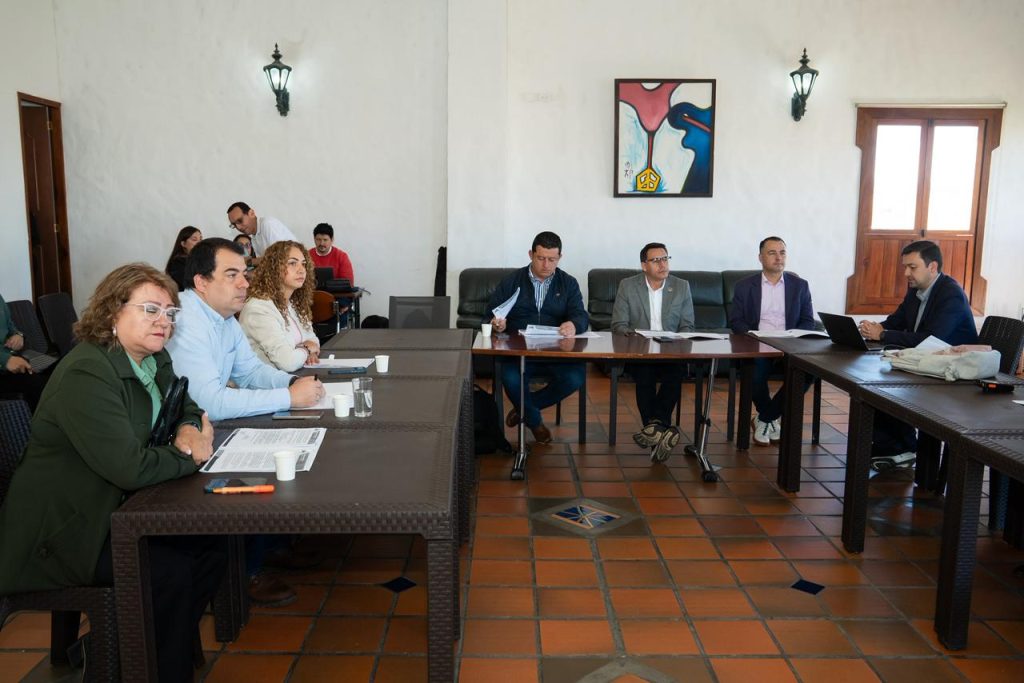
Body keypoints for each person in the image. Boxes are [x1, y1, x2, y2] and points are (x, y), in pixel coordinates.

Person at [0, 264, 223, 682]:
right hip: (65, 530)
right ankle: (151, 664)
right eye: (151, 309)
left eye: (170, 313)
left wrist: (189, 429)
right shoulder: (88, 372)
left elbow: (187, 405)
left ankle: (128, 646)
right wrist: (190, 456)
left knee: (214, 544)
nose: (164, 321)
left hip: (113, 509)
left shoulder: (153, 358)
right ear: (111, 312)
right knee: (168, 571)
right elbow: (129, 467)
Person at [167, 238, 325, 606]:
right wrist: (289, 398)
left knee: (288, 444)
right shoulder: (188, 321)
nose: (244, 283)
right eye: (231, 275)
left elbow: (251, 372)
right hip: (182, 438)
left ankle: (272, 546)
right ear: (201, 282)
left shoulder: (223, 318)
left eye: (244, 273)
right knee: (262, 463)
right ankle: (246, 571)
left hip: (208, 426)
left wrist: (291, 383)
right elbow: (209, 402)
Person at [858, 240, 978, 470]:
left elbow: (930, 339)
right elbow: (896, 321)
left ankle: (901, 448)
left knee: (886, 386)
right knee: (875, 385)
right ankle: (896, 447)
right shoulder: (915, 290)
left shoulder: (951, 294)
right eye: (905, 267)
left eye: (912, 267)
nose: (906, 273)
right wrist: (874, 328)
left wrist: (883, 335)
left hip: (953, 372)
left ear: (932, 267)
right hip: (926, 363)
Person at [486, 231, 588, 443]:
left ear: (560, 257)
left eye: (552, 259)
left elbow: (580, 315)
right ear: (531, 254)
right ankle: (534, 421)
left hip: (556, 352)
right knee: (510, 377)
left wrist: (573, 324)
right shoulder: (512, 281)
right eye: (541, 258)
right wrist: (498, 323)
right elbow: (492, 313)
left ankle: (524, 410)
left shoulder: (568, 283)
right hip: (518, 352)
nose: (546, 265)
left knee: (575, 377)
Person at [611, 242, 695, 461]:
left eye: (665, 259)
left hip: (671, 349)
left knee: (675, 372)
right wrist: (637, 338)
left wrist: (677, 341)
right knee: (644, 374)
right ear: (644, 265)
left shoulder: (681, 286)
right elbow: (619, 325)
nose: (662, 264)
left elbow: (687, 325)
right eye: (656, 260)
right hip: (641, 349)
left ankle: (655, 427)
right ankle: (660, 429)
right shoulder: (628, 286)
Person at [729, 236, 816, 446]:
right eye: (772, 253)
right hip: (758, 343)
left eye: (782, 252)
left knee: (808, 372)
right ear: (760, 258)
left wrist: (793, 338)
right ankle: (768, 418)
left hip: (790, 345)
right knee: (755, 372)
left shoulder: (800, 286)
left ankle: (765, 417)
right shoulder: (744, 286)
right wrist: (753, 337)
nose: (779, 258)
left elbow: (808, 321)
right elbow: (736, 320)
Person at [240, 241, 320, 372]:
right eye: (292, 263)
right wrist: (306, 349)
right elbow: (287, 362)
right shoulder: (259, 309)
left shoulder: (293, 303)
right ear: (274, 268)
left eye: (303, 264)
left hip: (294, 375)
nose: (301, 270)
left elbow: (313, 339)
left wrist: (309, 352)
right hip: (266, 382)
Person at [0, 294, 49, 410]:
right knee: (37, 385)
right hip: (5, 364)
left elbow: (11, 326)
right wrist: (5, 360)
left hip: (13, 357)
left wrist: (18, 336)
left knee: (58, 370)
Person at [226, 201, 297, 259]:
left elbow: (279, 257)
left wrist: (249, 262)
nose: (238, 227)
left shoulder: (268, 224)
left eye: (240, 220)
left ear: (252, 213)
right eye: (234, 225)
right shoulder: (254, 238)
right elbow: (264, 266)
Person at [164, 225, 203, 290]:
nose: (200, 243)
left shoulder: (201, 260)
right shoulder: (177, 263)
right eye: (194, 239)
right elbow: (189, 285)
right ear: (183, 244)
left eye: (201, 239)